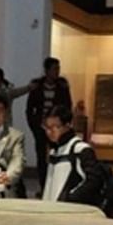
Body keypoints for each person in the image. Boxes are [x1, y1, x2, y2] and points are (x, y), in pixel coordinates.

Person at [26, 57, 73, 190]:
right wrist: (34, 125)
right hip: (41, 127)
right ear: (47, 71)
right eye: (54, 69)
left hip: (57, 127)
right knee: (41, 157)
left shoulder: (62, 87)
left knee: (58, 155)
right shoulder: (37, 86)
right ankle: (43, 186)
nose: (57, 72)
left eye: (58, 69)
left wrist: (65, 124)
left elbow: (68, 106)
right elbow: (30, 109)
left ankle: (56, 185)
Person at [41, 104, 101, 204]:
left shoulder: (80, 149)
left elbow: (93, 181)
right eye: (46, 127)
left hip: (71, 211)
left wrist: (70, 199)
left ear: (68, 125)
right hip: (52, 210)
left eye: (55, 127)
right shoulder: (54, 151)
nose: (49, 131)